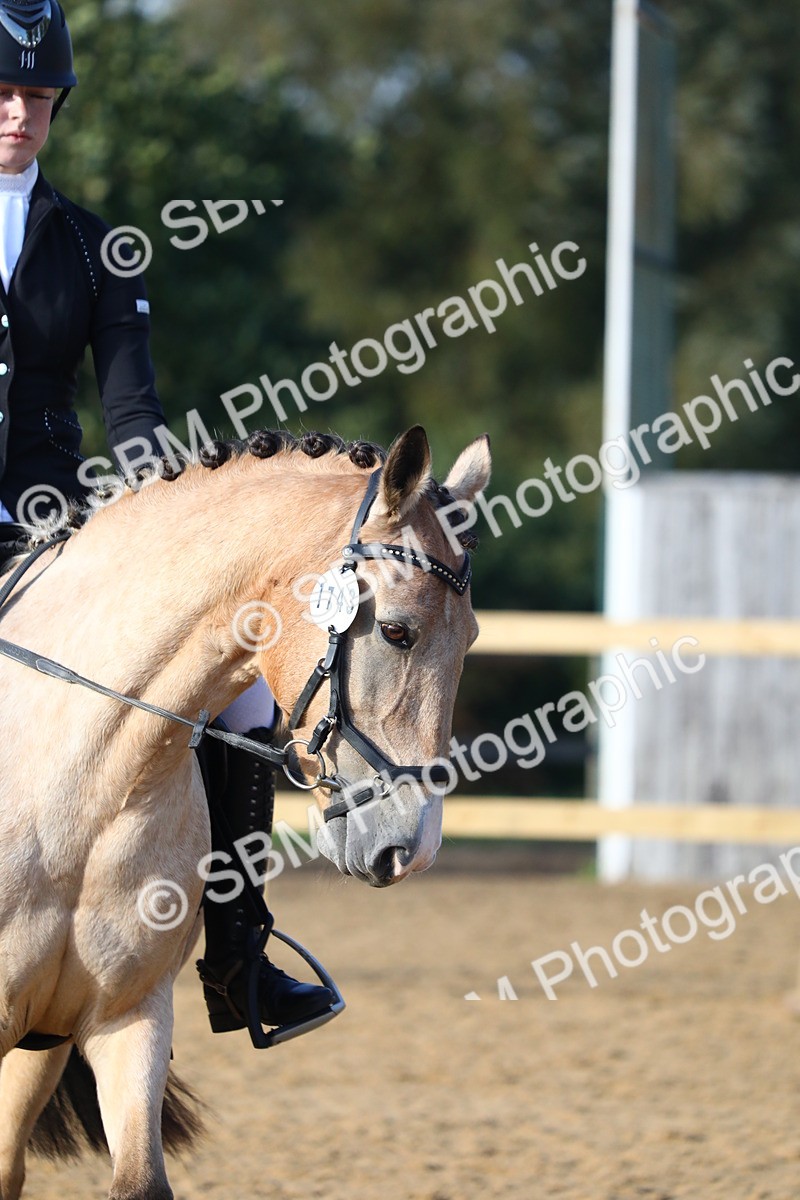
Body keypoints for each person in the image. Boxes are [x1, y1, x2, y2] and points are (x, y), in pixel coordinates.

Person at [0, 0, 333, 1040]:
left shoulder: (98, 248)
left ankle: (239, 957)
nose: (18, 114)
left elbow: (136, 420)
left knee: (236, 707)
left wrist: (165, 531)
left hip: (55, 528)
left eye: (37, 97)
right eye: (2, 94)